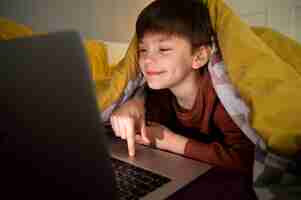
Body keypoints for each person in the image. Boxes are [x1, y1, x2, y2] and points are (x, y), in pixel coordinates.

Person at [110, 0, 254, 176]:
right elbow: (142, 123)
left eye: (163, 49)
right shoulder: (159, 91)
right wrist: (134, 103)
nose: (147, 60)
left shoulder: (222, 98)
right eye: (142, 50)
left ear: (199, 57)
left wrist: (171, 142)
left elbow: (248, 161)